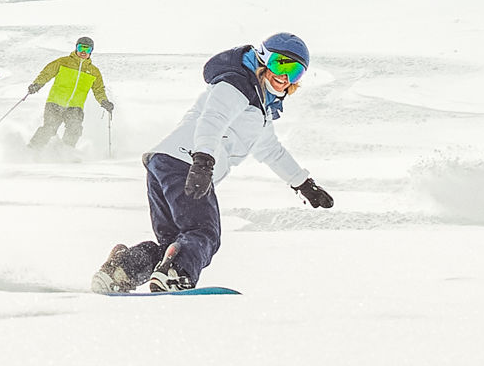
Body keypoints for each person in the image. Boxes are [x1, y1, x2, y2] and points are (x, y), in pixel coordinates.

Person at [92, 33, 334, 293]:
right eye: (280, 64)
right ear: (263, 58)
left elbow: (271, 151)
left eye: (295, 71)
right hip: (186, 162)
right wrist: (203, 160)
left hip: (166, 163)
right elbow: (213, 119)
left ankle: (122, 270)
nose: (284, 77)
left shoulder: (258, 108)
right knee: (203, 233)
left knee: (176, 244)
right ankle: (176, 275)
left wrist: (304, 184)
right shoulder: (237, 83)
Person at [25, 36, 112, 149]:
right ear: (76, 48)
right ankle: (33, 148)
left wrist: (104, 101)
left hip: (75, 107)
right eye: (81, 48)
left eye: (87, 49)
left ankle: (65, 152)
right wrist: (37, 84)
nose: (83, 52)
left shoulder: (94, 71)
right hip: (55, 103)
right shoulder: (63, 62)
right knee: (49, 128)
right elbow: (46, 73)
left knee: (75, 129)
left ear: (91, 51)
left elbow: (99, 89)